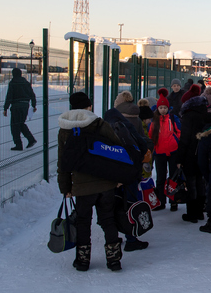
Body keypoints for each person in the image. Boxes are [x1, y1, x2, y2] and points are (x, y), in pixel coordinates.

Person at [57, 92, 123, 272]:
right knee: (108, 219)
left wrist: (65, 187)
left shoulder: (65, 129)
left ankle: (82, 260)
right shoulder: (100, 124)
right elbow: (117, 150)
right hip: (106, 182)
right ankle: (114, 259)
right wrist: (118, 178)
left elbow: (63, 162)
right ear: (89, 107)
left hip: (81, 186)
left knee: (83, 221)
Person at [103, 106, 151, 252]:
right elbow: (142, 145)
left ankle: (114, 236)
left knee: (113, 205)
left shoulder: (104, 130)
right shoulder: (126, 126)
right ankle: (131, 238)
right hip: (130, 173)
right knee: (130, 203)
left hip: (112, 176)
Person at [177, 90, 209, 222]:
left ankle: (192, 214)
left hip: (190, 153)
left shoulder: (188, 116)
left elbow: (184, 138)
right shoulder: (205, 113)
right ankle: (200, 211)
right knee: (200, 182)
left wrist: (179, 158)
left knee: (190, 183)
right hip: (202, 152)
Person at [149, 88, 181, 211]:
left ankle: (173, 201)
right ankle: (161, 201)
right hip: (159, 152)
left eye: (165, 108)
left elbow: (179, 131)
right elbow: (151, 135)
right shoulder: (154, 121)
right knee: (161, 178)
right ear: (158, 108)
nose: (163, 110)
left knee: (173, 178)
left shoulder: (173, 119)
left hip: (172, 151)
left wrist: (175, 142)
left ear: (168, 108)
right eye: (161, 107)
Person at [3, 67, 37, 150]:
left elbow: (9, 96)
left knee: (15, 126)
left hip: (16, 107)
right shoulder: (26, 83)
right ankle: (31, 139)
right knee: (21, 123)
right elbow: (32, 95)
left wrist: (5, 108)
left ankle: (18, 145)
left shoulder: (13, 82)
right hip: (25, 105)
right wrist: (34, 105)